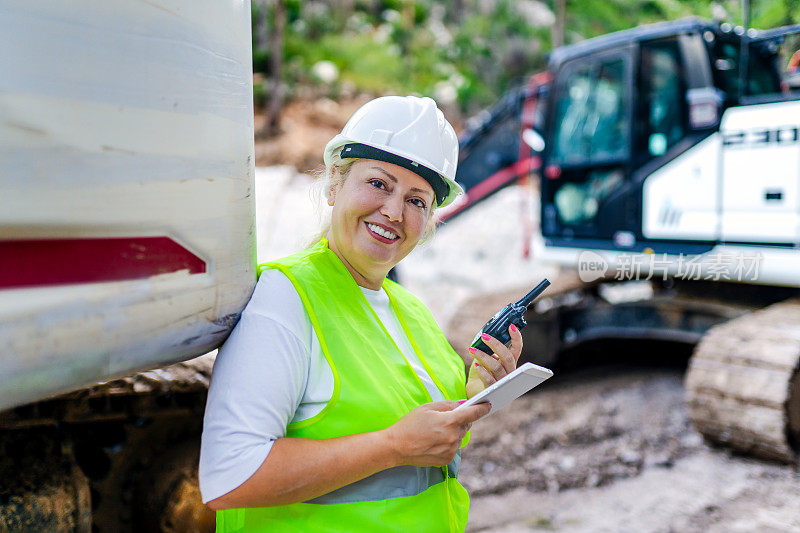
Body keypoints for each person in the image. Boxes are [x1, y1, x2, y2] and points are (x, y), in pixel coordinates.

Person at [199, 95, 524, 531]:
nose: (393, 212)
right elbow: (228, 476)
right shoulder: (284, 300)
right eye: (378, 184)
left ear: (428, 221)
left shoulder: (409, 310)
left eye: (416, 200)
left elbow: (424, 447)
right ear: (334, 184)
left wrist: (480, 387)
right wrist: (391, 446)